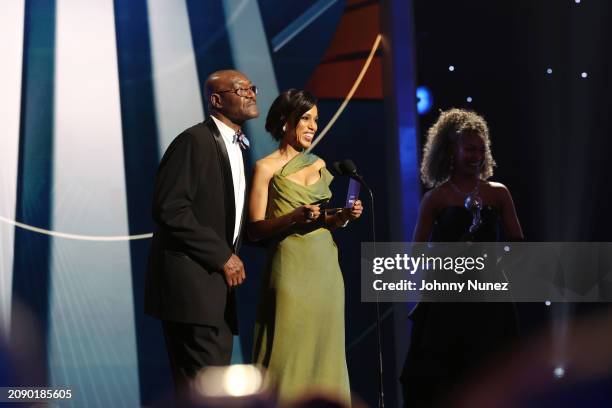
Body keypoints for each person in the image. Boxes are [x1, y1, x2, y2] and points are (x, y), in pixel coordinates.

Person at [144, 70, 259, 395]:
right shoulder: (193, 141)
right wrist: (222, 255)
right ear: (216, 100)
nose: (250, 93)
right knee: (204, 389)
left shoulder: (238, 145)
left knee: (204, 389)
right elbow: (170, 208)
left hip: (215, 292)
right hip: (192, 287)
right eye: (241, 89)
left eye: (252, 87)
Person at [400, 108, 524, 407]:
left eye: (481, 149)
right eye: (469, 149)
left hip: (489, 300)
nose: (476, 156)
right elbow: (416, 252)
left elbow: (518, 244)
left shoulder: (498, 193)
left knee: (491, 372)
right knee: (446, 378)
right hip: (446, 303)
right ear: (450, 151)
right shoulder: (436, 198)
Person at [248, 89, 362, 404]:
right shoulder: (265, 168)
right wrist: (292, 218)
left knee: (326, 351)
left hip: (325, 269)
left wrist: (342, 216)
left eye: (316, 120)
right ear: (286, 121)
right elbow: (254, 230)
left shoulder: (319, 163)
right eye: (306, 119)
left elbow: (323, 221)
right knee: (287, 352)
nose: (313, 126)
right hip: (290, 268)